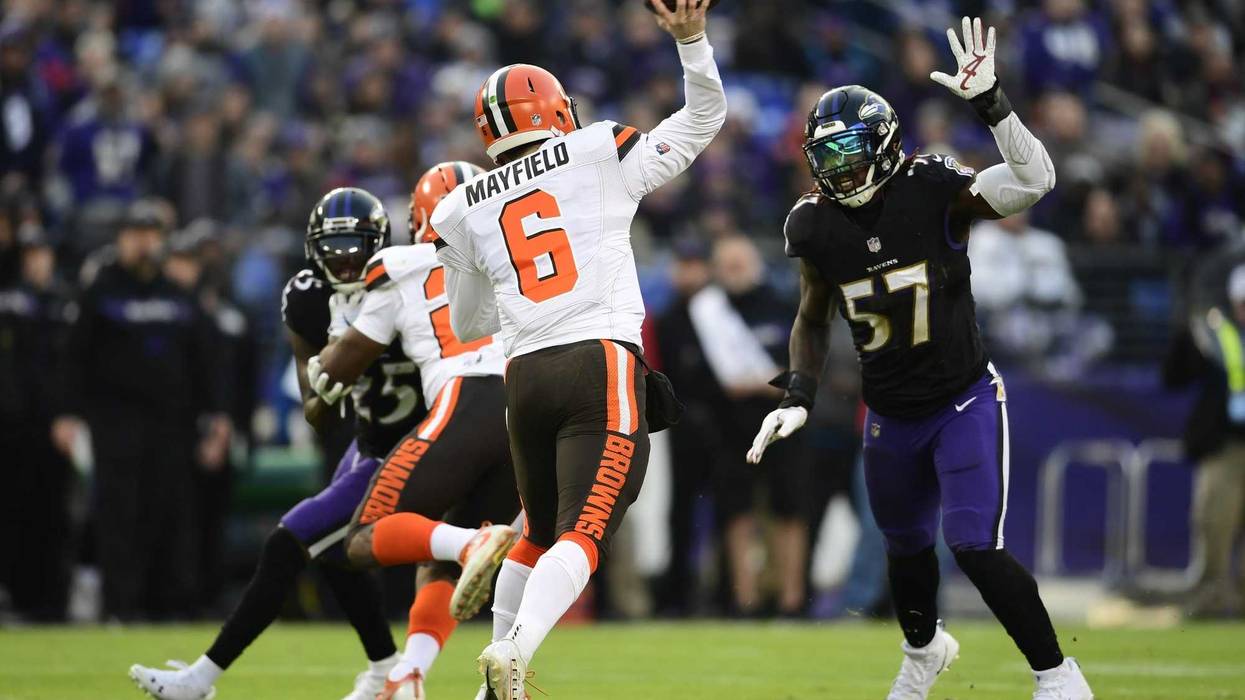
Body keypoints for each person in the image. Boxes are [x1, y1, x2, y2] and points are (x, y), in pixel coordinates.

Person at [746, 18, 1093, 700]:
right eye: (827, 155)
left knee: (970, 543)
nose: (837, 169)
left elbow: (1035, 180)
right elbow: (812, 316)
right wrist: (796, 395)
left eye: (849, 153)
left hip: (961, 396)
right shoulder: (811, 223)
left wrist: (992, 105)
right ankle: (923, 653)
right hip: (889, 409)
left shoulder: (932, 186)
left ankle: (1058, 675)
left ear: (884, 148)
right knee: (902, 549)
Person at [428, 1, 726, 696]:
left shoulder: (463, 206)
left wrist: (463, 261)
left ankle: (489, 684)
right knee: (585, 531)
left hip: (523, 377)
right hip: (597, 360)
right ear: (556, 110)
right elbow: (703, 120)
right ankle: (515, 653)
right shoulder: (597, 148)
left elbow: (469, 323)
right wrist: (692, 44)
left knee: (534, 532)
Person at [129, 186, 496, 700]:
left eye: (356, 250)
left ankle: (204, 679)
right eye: (335, 250)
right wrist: (331, 377)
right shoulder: (307, 296)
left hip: (415, 443)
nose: (346, 263)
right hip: (367, 443)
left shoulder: (401, 282)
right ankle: (386, 669)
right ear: (312, 249)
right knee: (332, 549)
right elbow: (316, 411)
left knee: (297, 539)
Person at [310, 166, 521, 700]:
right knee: (441, 557)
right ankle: (409, 673)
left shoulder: (401, 265)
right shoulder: (510, 256)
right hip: (525, 411)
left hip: (466, 398)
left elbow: (341, 369)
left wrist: (323, 359)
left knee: (361, 540)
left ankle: (473, 541)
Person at [57, 199, 227, 622]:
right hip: (115, 421)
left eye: (151, 234)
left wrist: (217, 418)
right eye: (135, 234)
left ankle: (169, 604)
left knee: (169, 513)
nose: (144, 243)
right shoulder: (101, 290)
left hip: (172, 423)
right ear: (120, 240)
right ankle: (120, 607)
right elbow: (75, 358)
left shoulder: (178, 295)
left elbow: (203, 361)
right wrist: (66, 413)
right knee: (119, 513)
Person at [691, 235, 811, 617]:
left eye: (740, 262)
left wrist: (755, 382)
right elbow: (708, 379)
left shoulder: (779, 306)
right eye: (727, 264)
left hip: (782, 424)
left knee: (789, 510)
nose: (735, 270)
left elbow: (800, 365)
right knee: (736, 512)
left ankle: (791, 600)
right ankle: (746, 599)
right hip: (730, 428)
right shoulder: (708, 311)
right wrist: (762, 380)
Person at [0, 225, 76, 621]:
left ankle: (51, 600)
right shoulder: (11, 301)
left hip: (55, 427)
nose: (37, 261)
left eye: (42, 253)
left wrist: (71, 414)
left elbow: (75, 368)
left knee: (52, 514)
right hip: (14, 427)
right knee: (15, 512)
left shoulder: (64, 303)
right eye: (30, 254)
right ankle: (18, 595)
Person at [1163, 264, 1245, 619]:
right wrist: (1185, 331)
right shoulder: (1214, 333)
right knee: (1215, 523)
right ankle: (1213, 599)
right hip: (1226, 445)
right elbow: (1174, 376)